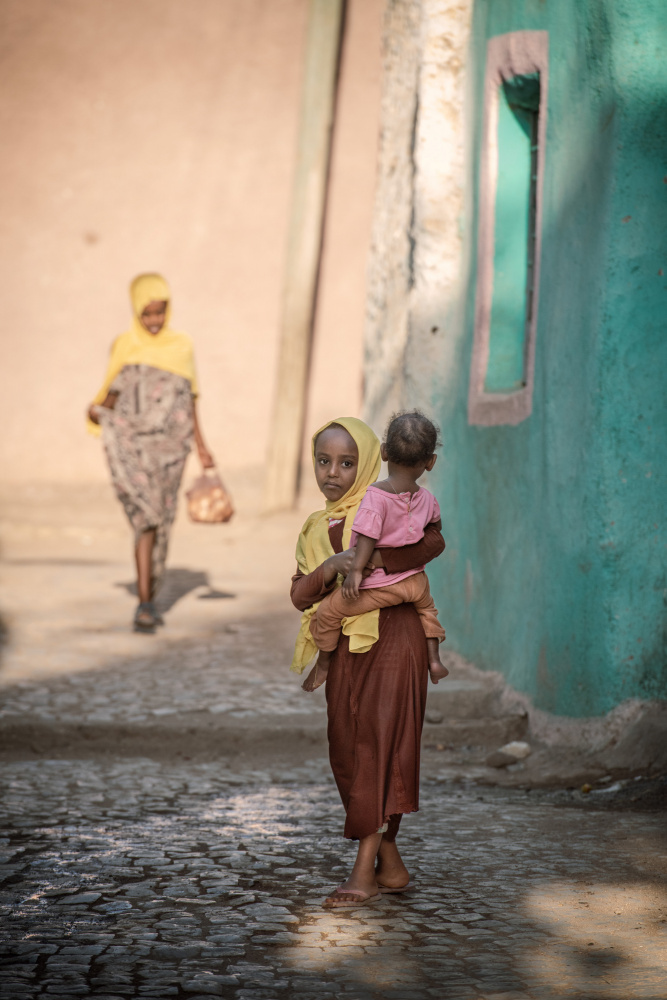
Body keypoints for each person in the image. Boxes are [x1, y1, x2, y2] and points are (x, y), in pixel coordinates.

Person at [290, 417, 446, 908]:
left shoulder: (385, 504)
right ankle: (391, 859)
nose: (333, 472)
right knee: (346, 749)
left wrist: (376, 562)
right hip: (344, 655)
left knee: (383, 746)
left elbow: (433, 542)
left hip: (394, 640)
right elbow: (298, 595)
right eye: (323, 461)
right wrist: (329, 568)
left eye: (346, 462)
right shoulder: (316, 526)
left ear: (370, 461)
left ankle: (363, 872)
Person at [87, 273, 213, 632]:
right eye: (148, 314)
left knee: (164, 521)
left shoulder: (182, 345)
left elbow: (191, 400)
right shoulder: (123, 345)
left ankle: (150, 593)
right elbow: (108, 398)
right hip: (134, 450)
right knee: (147, 518)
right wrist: (95, 411)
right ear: (136, 310)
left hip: (173, 451)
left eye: (160, 312)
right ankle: (144, 603)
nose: (155, 321)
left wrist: (202, 448)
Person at [308, 411, 448, 689]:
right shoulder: (428, 498)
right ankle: (434, 660)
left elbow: (368, 535)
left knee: (328, 613)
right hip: (417, 583)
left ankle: (323, 663)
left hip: (380, 585)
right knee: (429, 612)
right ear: (430, 462)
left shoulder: (375, 496)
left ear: (384, 453)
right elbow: (435, 530)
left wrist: (356, 571)